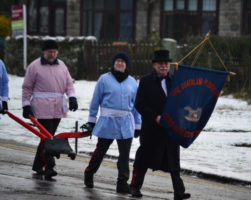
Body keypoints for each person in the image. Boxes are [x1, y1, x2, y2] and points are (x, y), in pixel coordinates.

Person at [130, 50, 191, 200]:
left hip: (170, 129)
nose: (164, 66)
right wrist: (154, 117)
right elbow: (139, 104)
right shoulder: (145, 81)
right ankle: (135, 187)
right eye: (160, 64)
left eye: (166, 63)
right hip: (151, 129)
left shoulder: (175, 80)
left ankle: (179, 192)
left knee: (174, 161)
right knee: (143, 159)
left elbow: (181, 102)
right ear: (155, 65)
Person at [82, 52, 141, 194]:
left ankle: (122, 183)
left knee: (124, 156)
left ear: (126, 65)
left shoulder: (132, 82)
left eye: (123, 61)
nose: (120, 63)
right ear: (114, 63)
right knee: (100, 151)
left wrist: (138, 125)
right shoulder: (104, 79)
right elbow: (95, 101)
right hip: (107, 122)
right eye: (117, 61)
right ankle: (89, 173)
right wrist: (91, 120)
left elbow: (136, 106)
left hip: (126, 123)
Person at [22, 39, 78, 180]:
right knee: (48, 138)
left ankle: (37, 165)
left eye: (54, 51)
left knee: (47, 137)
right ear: (44, 52)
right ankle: (49, 167)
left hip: (57, 107)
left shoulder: (62, 66)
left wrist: (72, 98)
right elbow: (27, 87)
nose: (52, 54)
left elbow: (69, 84)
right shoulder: (34, 66)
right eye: (49, 52)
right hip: (41, 107)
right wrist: (26, 105)